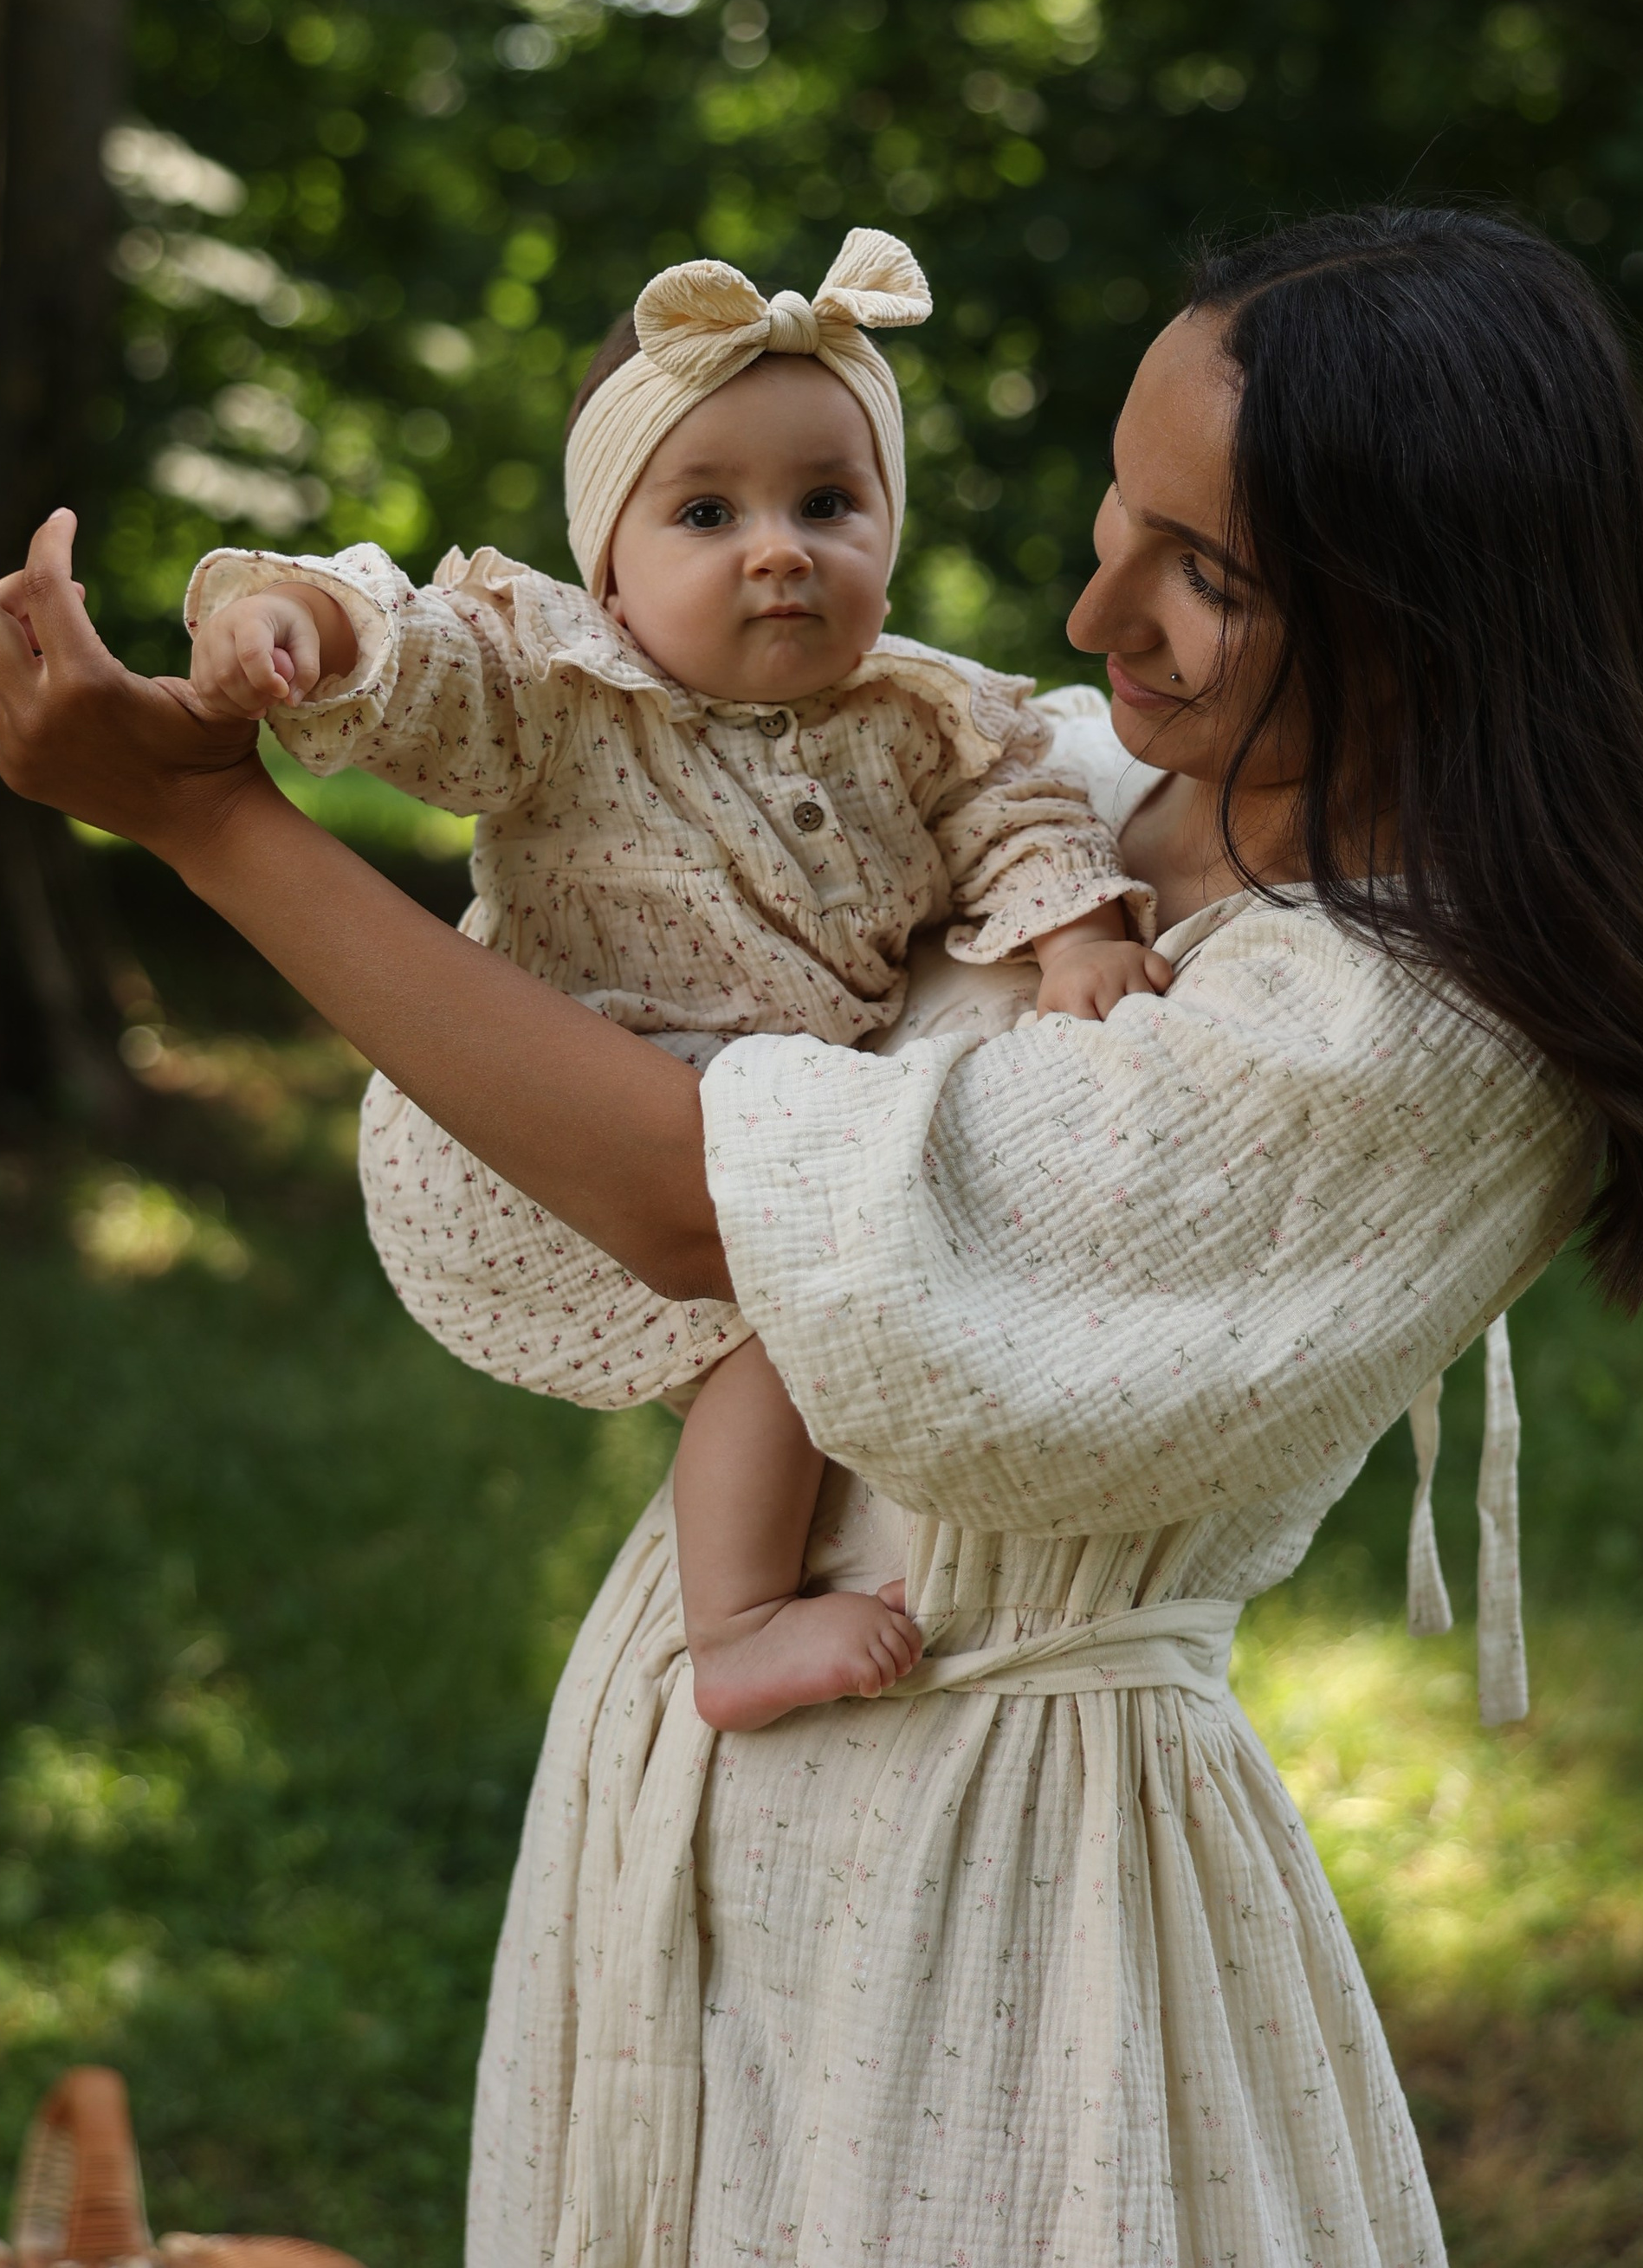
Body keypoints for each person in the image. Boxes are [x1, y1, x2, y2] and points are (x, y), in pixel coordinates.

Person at [0, 206, 1643, 2268]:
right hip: (693, 1782)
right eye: (1108, 523)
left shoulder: (1405, 1038)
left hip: (999, 1871)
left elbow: (694, 1197)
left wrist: (203, 828)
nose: (1087, 614)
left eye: (1203, 575)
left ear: (1438, 613)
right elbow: (618, 742)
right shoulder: (1070, 792)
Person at [178, 226, 1157, 1729]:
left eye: (829, 502)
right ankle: (741, 1621)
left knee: (796, 1316)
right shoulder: (563, 689)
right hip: (554, 1113)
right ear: (608, 565)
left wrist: (1076, 933)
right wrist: (300, 625)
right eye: (707, 511)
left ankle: (764, 1573)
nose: (781, 547)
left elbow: (1013, 811)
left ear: (890, 523)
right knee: (790, 1314)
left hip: (753, 1119)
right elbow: (424, 661)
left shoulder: (923, 710)